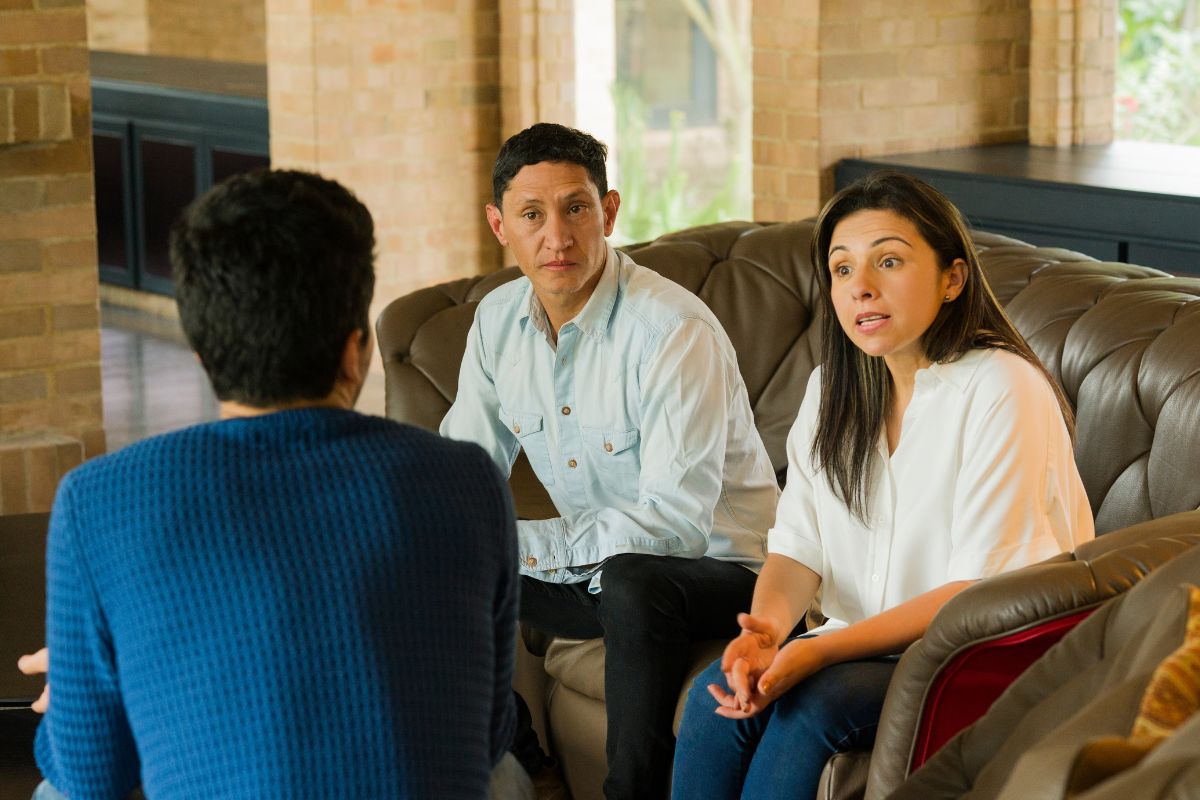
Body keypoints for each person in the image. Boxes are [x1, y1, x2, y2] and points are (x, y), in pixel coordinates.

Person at [19, 169, 530, 800]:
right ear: (354, 352)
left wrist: (86, 684)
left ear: (203, 354)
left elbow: (91, 775)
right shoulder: (468, 480)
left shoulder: (96, 502)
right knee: (506, 776)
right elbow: (486, 734)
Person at [670, 170, 1096, 799]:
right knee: (716, 704)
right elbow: (797, 548)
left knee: (809, 709)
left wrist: (818, 653)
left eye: (888, 261)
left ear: (953, 278)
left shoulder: (1003, 387)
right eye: (842, 270)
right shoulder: (831, 391)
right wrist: (763, 633)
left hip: (980, 654)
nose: (861, 288)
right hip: (862, 648)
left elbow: (976, 589)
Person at [440, 122, 781, 798]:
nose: (557, 237)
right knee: (439, 558)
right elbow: (463, 471)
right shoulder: (497, 320)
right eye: (532, 215)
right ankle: (528, 768)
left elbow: (676, 528)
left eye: (576, 208)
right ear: (499, 224)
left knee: (631, 580)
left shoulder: (671, 330)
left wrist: (515, 546)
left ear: (611, 211)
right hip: (600, 574)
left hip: (727, 574)